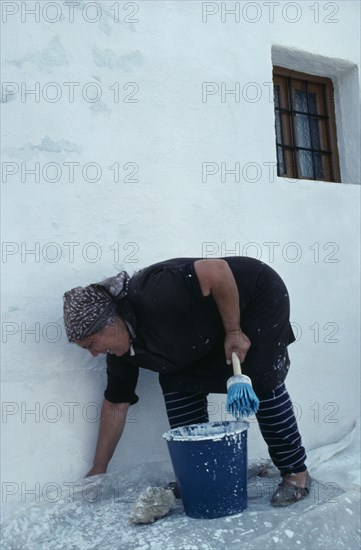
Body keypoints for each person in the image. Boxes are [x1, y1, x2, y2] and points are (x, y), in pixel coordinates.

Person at [63, 257, 311, 506]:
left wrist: (234, 332)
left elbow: (216, 270)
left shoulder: (152, 291)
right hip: (202, 333)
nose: (94, 353)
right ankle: (200, 475)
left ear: (111, 322)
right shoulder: (123, 354)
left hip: (254, 297)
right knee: (177, 383)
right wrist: (98, 469)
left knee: (260, 379)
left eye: (91, 344)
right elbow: (116, 403)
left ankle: (296, 471)